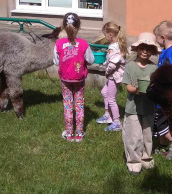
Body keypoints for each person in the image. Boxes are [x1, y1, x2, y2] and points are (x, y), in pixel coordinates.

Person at [122, 32, 161, 175]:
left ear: (152, 51)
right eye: (142, 48)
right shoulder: (130, 66)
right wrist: (135, 89)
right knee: (133, 135)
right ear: (137, 49)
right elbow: (127, 86)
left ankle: (146, 158)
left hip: (149, 107)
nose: (145, 51)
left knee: (147, 134)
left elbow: (157, 86)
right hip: (133, 107)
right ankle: (134, 162)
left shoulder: (154, 68)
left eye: (149, 48)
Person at [53, 13, 94, 142]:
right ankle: (80, 133)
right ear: (79, 26)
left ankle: (70, 134)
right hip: (79, 79)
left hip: (65, 79)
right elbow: (91, 60)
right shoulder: (83, 44)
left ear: (64, 26)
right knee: (79, 105)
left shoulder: (59, 43)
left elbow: (55, 61)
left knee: (68, 105)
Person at [153, 20, 172, 160]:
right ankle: (163, 146)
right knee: (162, 122)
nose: (156, 41)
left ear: (163, 37)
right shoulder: (170, 50)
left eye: (157, 38)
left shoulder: (169, 55)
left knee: (160, 122)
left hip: (165, 98)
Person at [96, 21, 127, 131]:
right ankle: (107, 115)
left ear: (110, 35)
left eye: (105, 35)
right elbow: (112, 60)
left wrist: (107, 72)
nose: (105, 38)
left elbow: (113, 64)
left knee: (111, 99)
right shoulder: (117, 45)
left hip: (113, 76)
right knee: (104, 92)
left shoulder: (112, 47)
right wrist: (105, 64)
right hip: (113, 76)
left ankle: (117, 122)